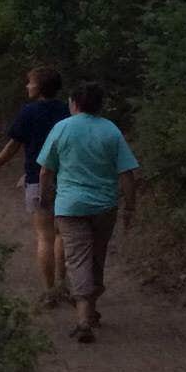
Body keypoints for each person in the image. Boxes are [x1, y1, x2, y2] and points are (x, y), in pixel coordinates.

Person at [37, 80, 139, 345]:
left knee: (77, 259)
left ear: (74, 103)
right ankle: (90, 310)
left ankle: (83, 319)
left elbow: (46, 170)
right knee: (96, 257)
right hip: (104, 206)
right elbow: (126, 173)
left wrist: (45, 198)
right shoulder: (111, 130)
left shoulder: (62, 128)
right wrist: (130, 206)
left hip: (70, 207)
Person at [0, 65, 70, 307]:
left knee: (44, 236)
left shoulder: (29, 112)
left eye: (30, 82)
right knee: (61, 235)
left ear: (39, 87)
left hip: (37, 179)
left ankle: (49, 292)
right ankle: (64, 284)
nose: (27, 86)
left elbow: (13, 146)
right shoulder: (66, 110)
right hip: (67, 179)